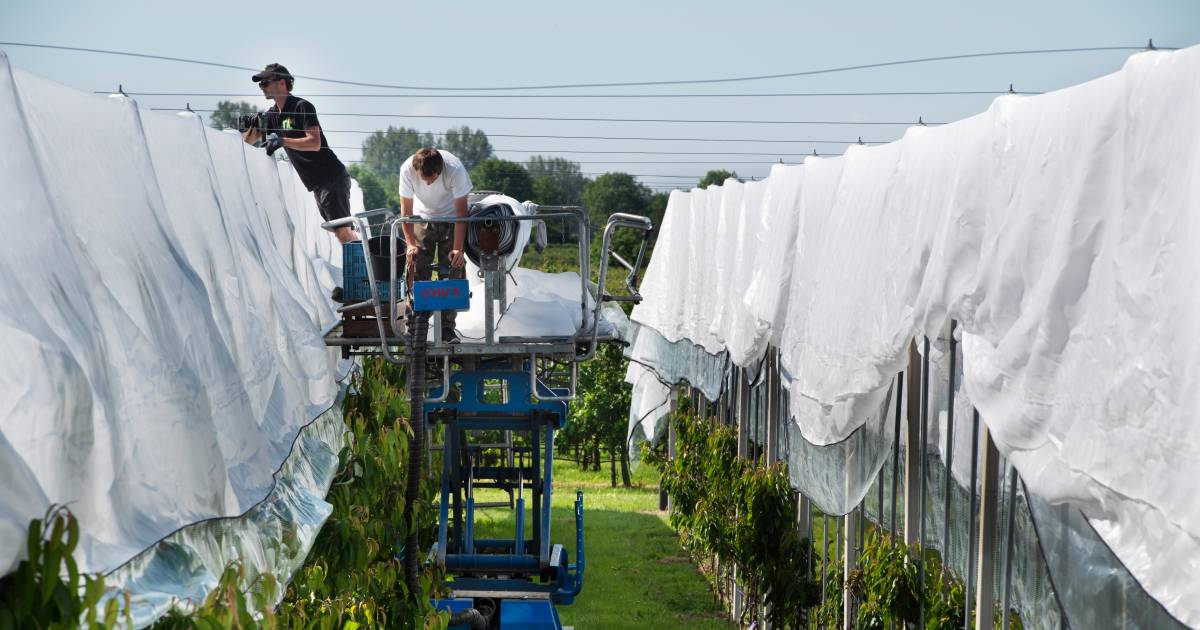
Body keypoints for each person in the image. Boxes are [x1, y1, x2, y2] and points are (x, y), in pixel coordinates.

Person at [241, 63, 358, 244]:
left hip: (331, 178)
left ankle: (362, 262)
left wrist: (282, 141)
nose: (261, 87)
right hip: (318, 184)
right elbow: (248, 141)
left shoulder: (302, 107)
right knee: (342, 231)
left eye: (265, 82)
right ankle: (363, 259)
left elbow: (314, 143)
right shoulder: (272, 115)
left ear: (282, 83)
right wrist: (247, 127)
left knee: (342, 231)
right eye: (260, 84)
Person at [399, 148, 473, 341]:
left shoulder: (455, 169)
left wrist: (458, 249)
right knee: (416, 264)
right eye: (425, 179)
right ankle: (414, 324)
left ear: (440, 170)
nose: (429, 183)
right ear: (416, 170)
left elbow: (462, 214)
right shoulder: (406, 170)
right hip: (422, 217)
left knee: (453, 267)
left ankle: (447, 328)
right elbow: (406, 212)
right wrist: (410, 244)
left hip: (452, 217)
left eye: (433, 179)